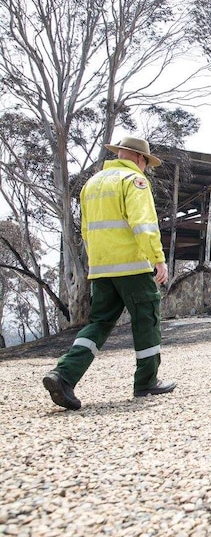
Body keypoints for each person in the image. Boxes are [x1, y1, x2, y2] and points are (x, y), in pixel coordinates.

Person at [43, 136, 176, 410]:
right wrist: (158, 259)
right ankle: (146, 382)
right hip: (133, 267)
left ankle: (64, 375)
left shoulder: (92, 184)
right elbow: (144, 225)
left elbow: (85, 231)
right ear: (139, 159)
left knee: (99, 323)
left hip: (102, 270)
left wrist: (97, 264)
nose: (146, 168)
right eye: (146, 162)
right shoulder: (134, 181)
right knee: (146, 319)